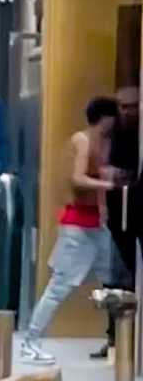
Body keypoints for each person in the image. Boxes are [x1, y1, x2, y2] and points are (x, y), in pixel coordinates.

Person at [21, 97, 119, 365]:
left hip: (96, 227)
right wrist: (108, 186)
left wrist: (102, 209)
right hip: (76, 228)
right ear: (105, 118)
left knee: (115, 281)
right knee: (59, 286)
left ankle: (118, 341)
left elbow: (95, 179)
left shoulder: (104, 143)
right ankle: (30, 342)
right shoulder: (83, 140)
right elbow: (77, 178)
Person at [91, 86, 140, 359]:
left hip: (132, 212)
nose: (127, 111)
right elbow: (104, 171)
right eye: (122, 106)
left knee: (127, 276)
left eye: (132, 106)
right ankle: (114, 338)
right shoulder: (112, 134)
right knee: (115, 279)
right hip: (116, 215)